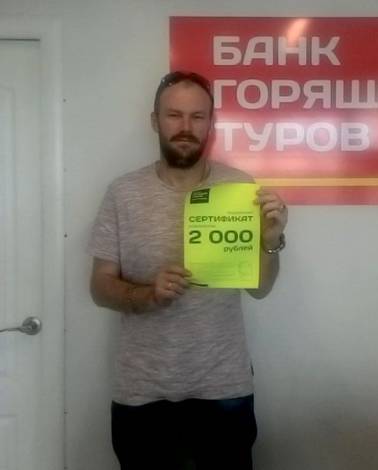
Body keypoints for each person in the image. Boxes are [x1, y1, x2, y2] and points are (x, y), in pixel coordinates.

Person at [87, 70, 288, 470]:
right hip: (142, 390)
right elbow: (99, 287)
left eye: (198, 117)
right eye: (174, 115)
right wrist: (148, 294)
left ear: (211, 123)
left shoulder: (239, 188)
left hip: (223, 386)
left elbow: (260, 287)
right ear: (155, 121)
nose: (185, 127)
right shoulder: (122, 193)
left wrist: (271, 239)